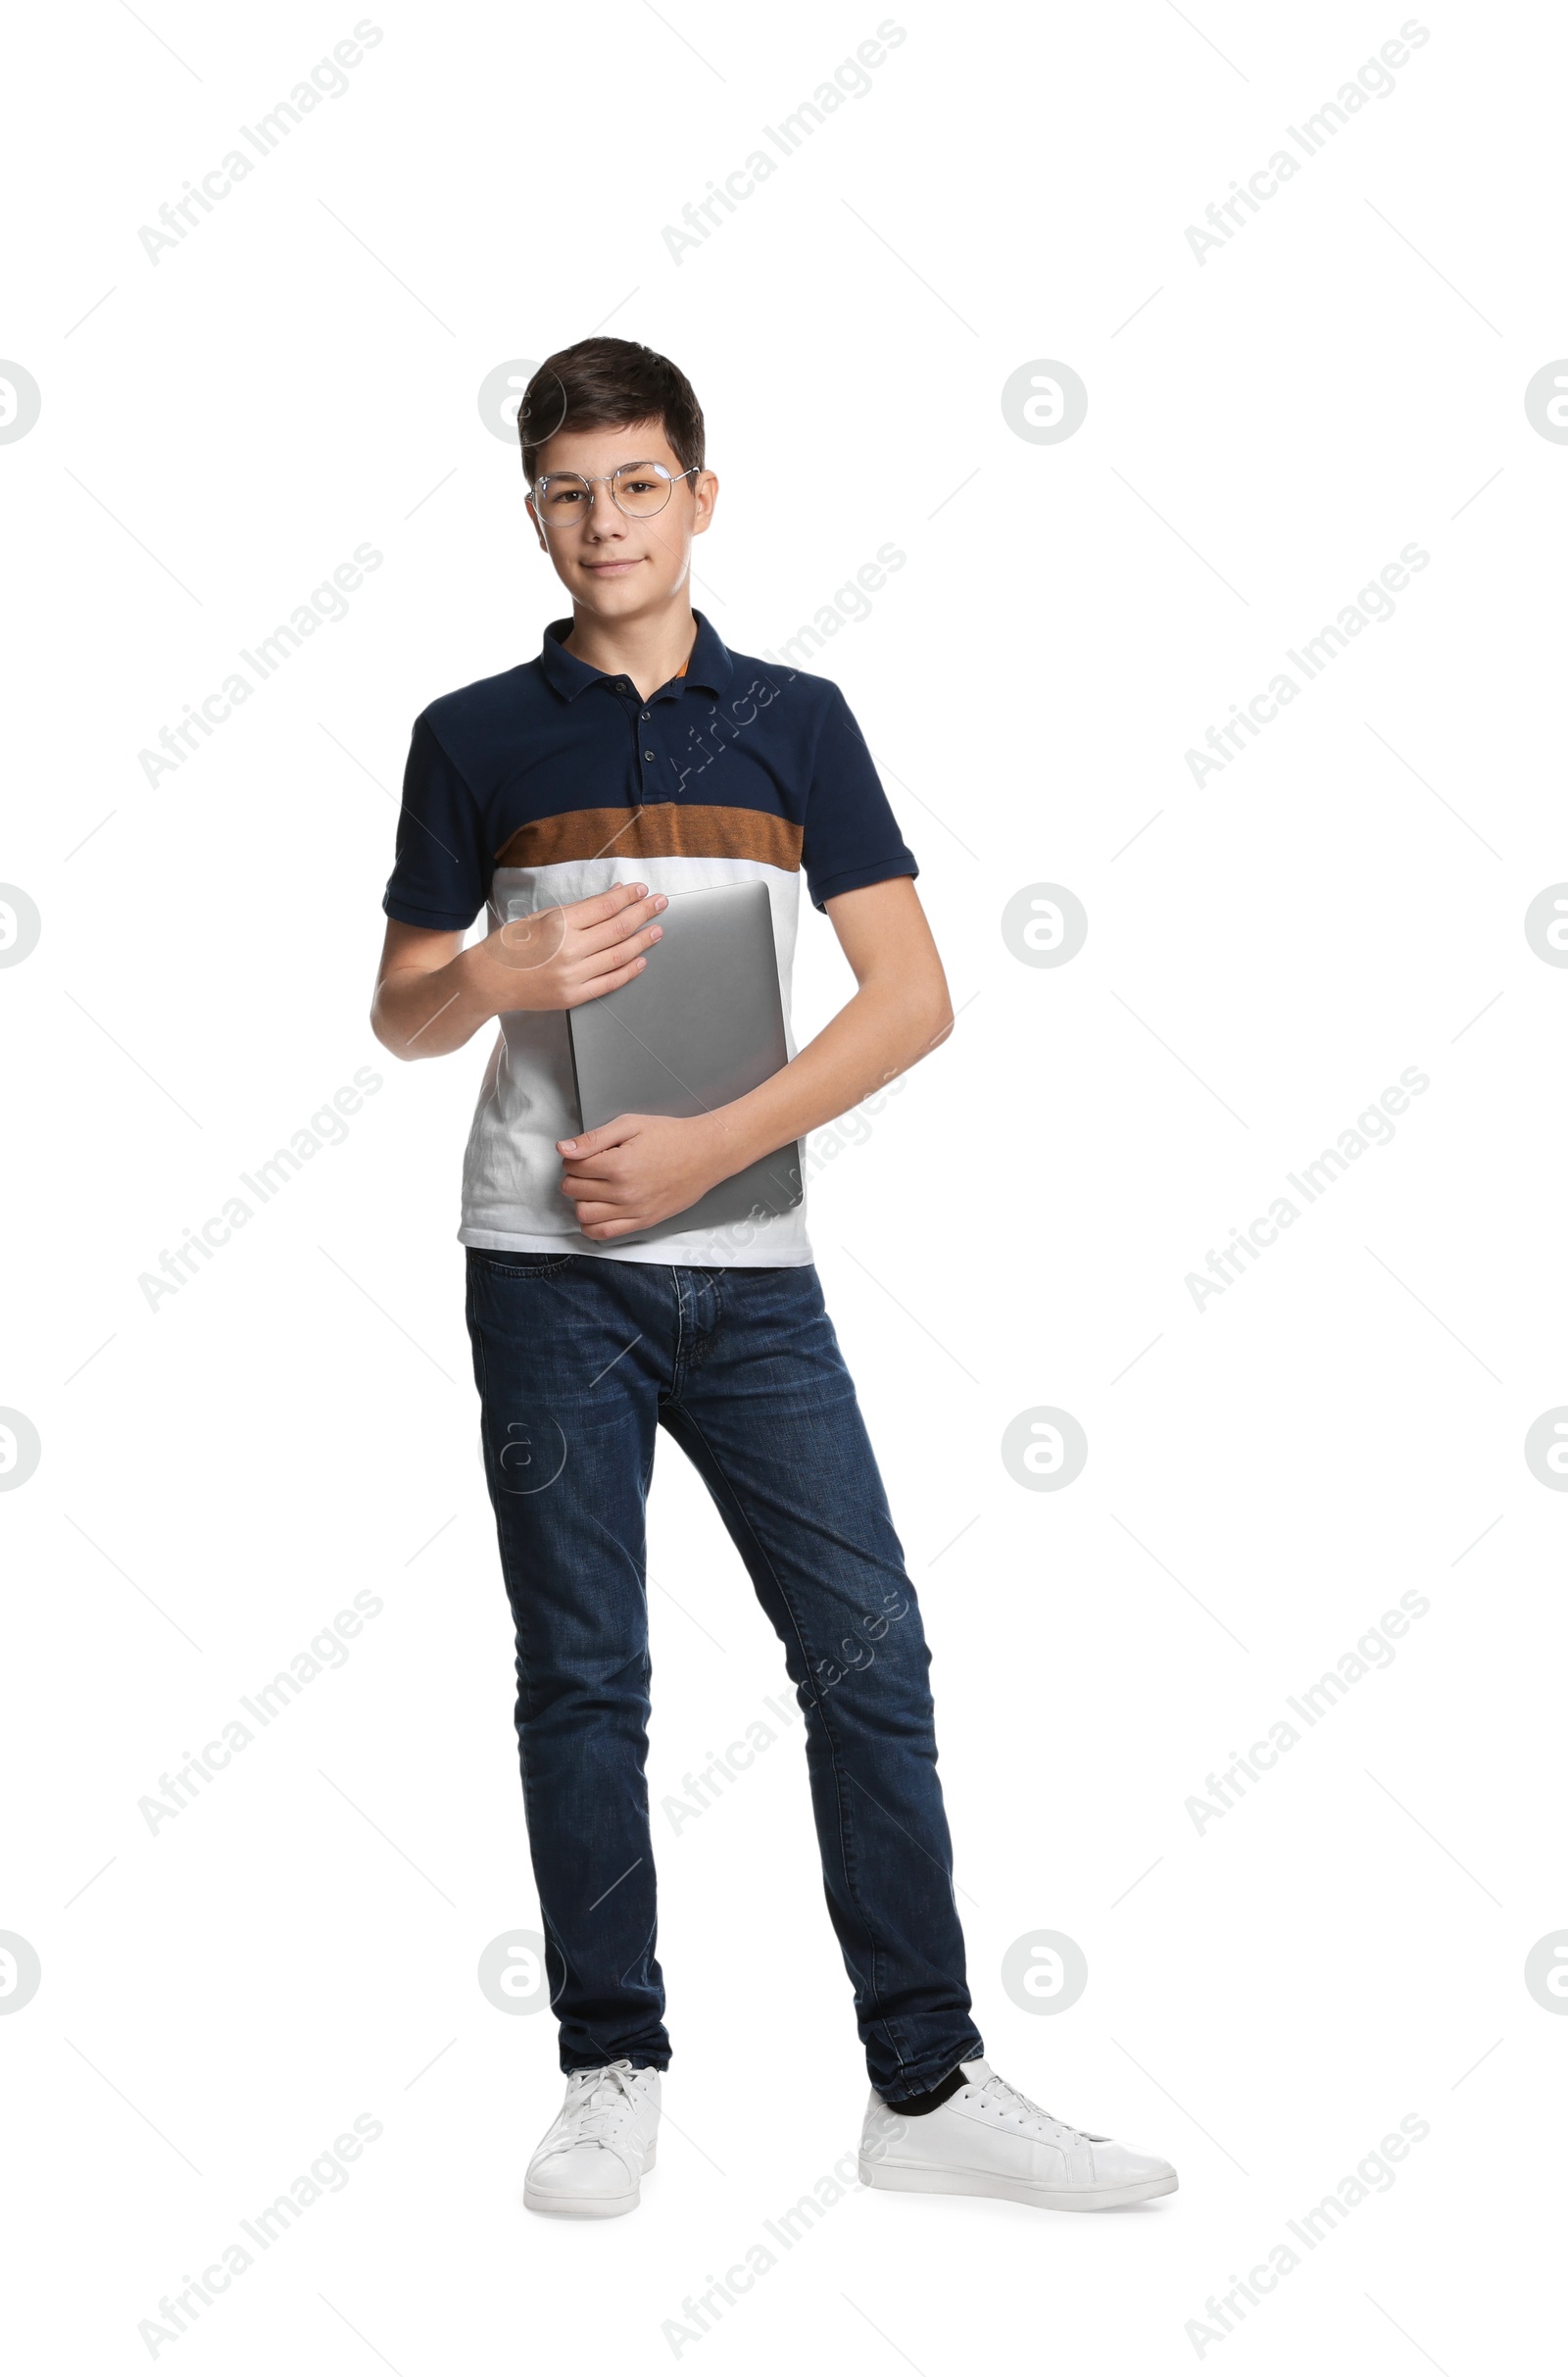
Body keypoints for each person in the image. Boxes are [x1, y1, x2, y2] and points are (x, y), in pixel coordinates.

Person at [370, 337, 1175, 2220]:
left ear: (700, 496)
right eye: (570, 490)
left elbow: (917, 998)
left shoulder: (799, 718)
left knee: (871, 1651)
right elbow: (401, 1012)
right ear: (532, 514)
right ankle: (609, 2062)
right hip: (542, 1267)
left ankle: (925, 2079)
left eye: (639, 482)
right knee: (586, 1674)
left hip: (753, 1272)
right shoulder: (471, 734)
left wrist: (712, 1145)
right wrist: (481, 979)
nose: (605, 522)